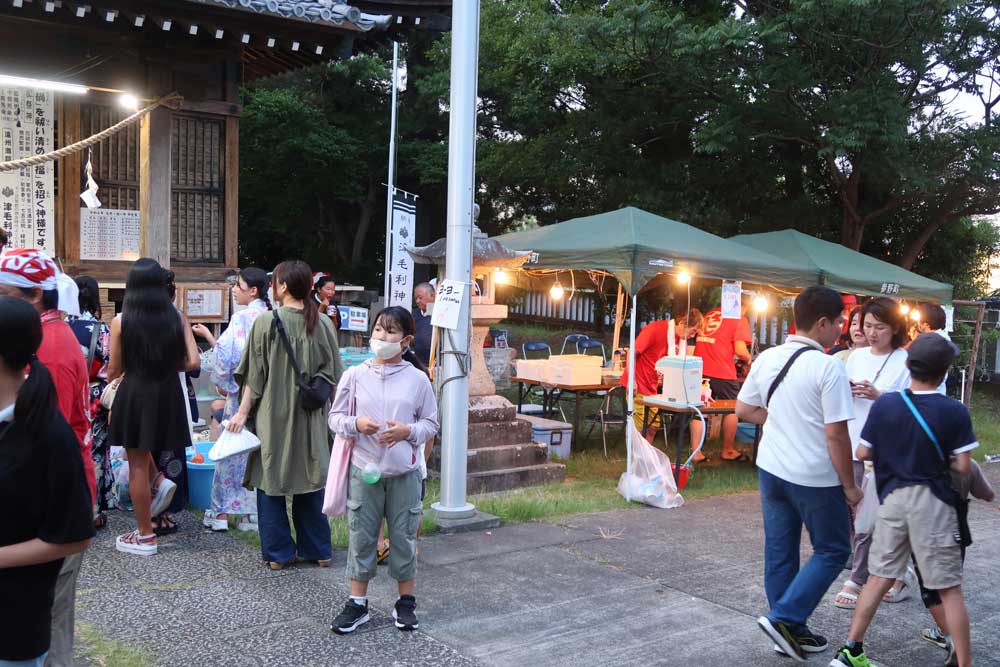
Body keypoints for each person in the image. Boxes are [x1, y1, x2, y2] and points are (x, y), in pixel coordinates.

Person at [830, 334, 977, 667]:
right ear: (945, 372)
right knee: (948, 588)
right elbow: (964, 466)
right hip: (934, 506)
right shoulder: (954, 411)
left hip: (892, 502)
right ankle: (964, 661)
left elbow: (863, 451)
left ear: (908, 366)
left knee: (878, 577)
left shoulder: (887, 404)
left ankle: (851, 650)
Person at [735, 286, 861, 662]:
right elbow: (837, 434)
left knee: (780, 549)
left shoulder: (768, 357)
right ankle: (786, 617)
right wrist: (851, 487)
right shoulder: (827, 367)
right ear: (822, 323)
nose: (841, 329)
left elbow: (743, 409)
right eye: (839, 322)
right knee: (834, 549)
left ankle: (787, 633)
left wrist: (782, 422)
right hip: (813, 476)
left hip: (771, 469)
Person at [0, 249, 94, 667]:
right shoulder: (51, 337)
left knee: (51, 626)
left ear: (36, 295)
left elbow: (71, 533)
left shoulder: (48, 353)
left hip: (53, 500)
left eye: (3, 294)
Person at [329, 306, 439, 635]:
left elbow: (431, 423)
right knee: (362, 537)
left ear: (405, 340)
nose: (382, 337)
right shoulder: (355, 374)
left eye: (390, 332)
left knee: (404, 537)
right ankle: (357, 604)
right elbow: (334, 419)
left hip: (404, 473)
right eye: (378, 329)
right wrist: (356, 424)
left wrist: (407, 432)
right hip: (365, 471)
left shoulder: (418, 379)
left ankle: (405, 603)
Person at [229, 260, 344, 570]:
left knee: (271, 480)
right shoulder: (322, 324)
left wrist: (241, 412)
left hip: (273, 417)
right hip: (312, 417)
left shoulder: (266, 322)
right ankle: (318, 550)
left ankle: (279, 555)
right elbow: (334, 374)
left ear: (280, 286)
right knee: (310, 478)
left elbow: (255, 376)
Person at [108, 258, 200, 556]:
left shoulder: (121, 321)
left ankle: (146, 535)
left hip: (135, 391)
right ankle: (159, 483)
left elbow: (114, 369)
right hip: (168, 392)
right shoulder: (178, 318)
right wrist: (165, 365)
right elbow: (194, 362)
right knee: (147, 454)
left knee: (136, 461)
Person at [835, 297, 912, 610]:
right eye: (867, 325)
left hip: (887, 449)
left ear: (895, 328)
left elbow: (913, 407)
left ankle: (859, 577)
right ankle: (899, 571)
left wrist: (879, 395)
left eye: (880, 327)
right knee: (855, 512)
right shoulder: (855, 357)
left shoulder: (905, 361)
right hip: (853, 441)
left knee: (875, 515)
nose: (872, 332)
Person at [192, 268, 271, 532]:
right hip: (267, 398)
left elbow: (228, 359)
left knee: (231, 452)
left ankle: (222, 512)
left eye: (238, 285)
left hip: (241, 397)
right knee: (257, 452)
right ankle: (253, 514)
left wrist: (208, 339)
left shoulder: (242, 318)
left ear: (253, 290)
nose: (234, 290)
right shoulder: (272, 316)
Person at [917, 459, 994, 665]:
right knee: (950, 592)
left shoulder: (920, 460)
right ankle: (947, 635)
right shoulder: (968, 463)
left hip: (925, 533)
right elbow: (987, 493)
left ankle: (952, 640)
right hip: (955, 533)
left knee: (931, 593)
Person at [66, 276, 114, 529]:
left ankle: (67, 507)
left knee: (67, 449)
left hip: (66, 393)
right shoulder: (102, 330)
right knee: (94, 452)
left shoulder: (61, 327)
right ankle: (93, 511)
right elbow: (108, 367)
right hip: (94, 395)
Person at [620, 309, 704, 443]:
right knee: (641, 427)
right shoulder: (655, 329)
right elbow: (632, 352)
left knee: (653, 427)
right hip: (638, 383)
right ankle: (637, 459)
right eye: (693, 331)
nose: (692, 336)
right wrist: (632, 380)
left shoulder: (680, 340)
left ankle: (647, 458)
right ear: (682, 323)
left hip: (652, 386)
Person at [691, 295, 754, 461]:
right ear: (742, 306)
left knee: (700, 409)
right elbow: (740, 350)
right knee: (732, 408)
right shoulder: (739, 318)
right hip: (722, 371)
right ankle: (728, 450)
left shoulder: (710, 314)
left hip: (698, 368)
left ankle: (696, 452)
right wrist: (748, 359)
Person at [412, 282, 436, 367]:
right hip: (419, 364)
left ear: (432, 296)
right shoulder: (415, 315)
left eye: (420, 297)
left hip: (437, 365)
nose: (418, 301)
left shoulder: (439, 314)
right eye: (416, 298)